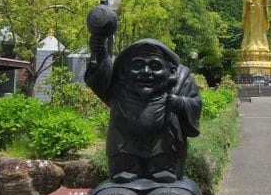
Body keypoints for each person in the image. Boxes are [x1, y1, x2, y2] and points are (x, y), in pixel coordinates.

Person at [85, 37, 201, 183]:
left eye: (155, 66)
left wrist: (181, 103)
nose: (146, 72)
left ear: (170, 71)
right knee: (122, 177)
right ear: (125, 71)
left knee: (166, 177)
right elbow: (100, 75)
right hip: (125, 146)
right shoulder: (117, 85)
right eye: (138, 65)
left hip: (163, 147)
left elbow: (195, 103)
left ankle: (164, 169)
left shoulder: (181, 84)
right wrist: (98, 48)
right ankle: (125, 169)